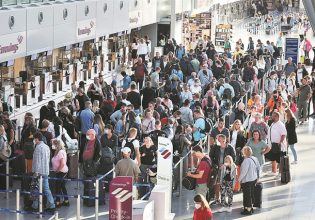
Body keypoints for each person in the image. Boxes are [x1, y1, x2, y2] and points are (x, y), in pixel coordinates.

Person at [30, 132, 55, 212]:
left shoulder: (38, 148)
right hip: (46, 171)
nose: (34, 140)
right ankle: (52, 205)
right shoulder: (47, 147)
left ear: (37, 139)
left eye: (34, 139)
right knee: (46, 189)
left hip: (39, 173)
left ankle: (35, 206)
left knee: (35, 189)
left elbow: (37, 162)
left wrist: (36, 173)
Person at [209, 134, 236, 205]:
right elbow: (210, 156)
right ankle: (217, 199)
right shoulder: (215, 146)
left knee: (227, 185)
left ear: (224, 140)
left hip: (227, 169)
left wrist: (225, 165)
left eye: (219, 140)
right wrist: (216, 165)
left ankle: (227, 201)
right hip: (217, 168)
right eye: (217, 139)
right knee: (217, 184)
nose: (217, 141)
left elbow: (233, 158)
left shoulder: (230, 147)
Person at [239, 146, 260, 215]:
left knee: (247, 195)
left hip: (247, 180)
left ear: (244, 152)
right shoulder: (254, 158)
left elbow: (243, 172)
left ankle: (248, 210)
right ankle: (250, 207)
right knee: (251, 194)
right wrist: (258, 177)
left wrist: (239, 180)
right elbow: (258, 168)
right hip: (254, 179)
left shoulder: (246, 161)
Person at [266, 112, 287, 177]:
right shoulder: (273, 123)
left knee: (280, 160)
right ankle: (274, 171)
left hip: (279, 146)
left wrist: (280, 142)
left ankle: (280, 173)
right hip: (272, 145)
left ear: (277, 117)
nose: (272, 117)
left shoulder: (281, 125)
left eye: (274, 116)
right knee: (274, 158)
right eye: (272, 116)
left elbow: (283, 134)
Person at [51, 139, 69, 208]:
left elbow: (62, 163)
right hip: (60, 171)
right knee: (62, 186)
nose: (53, 145)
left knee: (58, 187)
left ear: (57, 145)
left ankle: (58, 202)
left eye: (54, 144)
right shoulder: (57, 152)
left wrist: (57, 170)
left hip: (61, 172)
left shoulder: (61, 152)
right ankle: (66, 201)